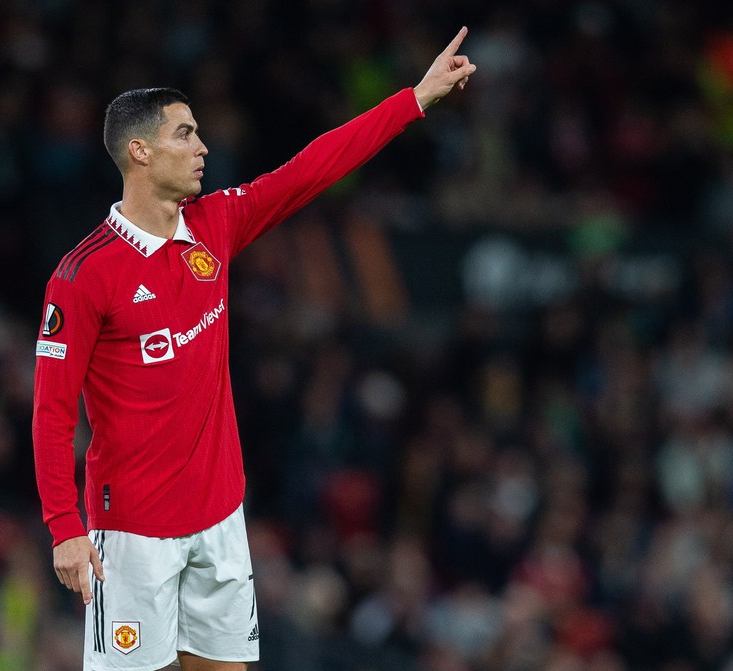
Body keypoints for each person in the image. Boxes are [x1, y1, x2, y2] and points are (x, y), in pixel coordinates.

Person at [32, 26, 476, 671]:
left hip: (219, 515)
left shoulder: (215, 224)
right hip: (131, 532)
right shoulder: (83, 276)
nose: (203, 147)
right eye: (184, 133)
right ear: (140, 152)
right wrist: (65, 528)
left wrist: (414, 99)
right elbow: (51, 413)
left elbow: (311, 168)